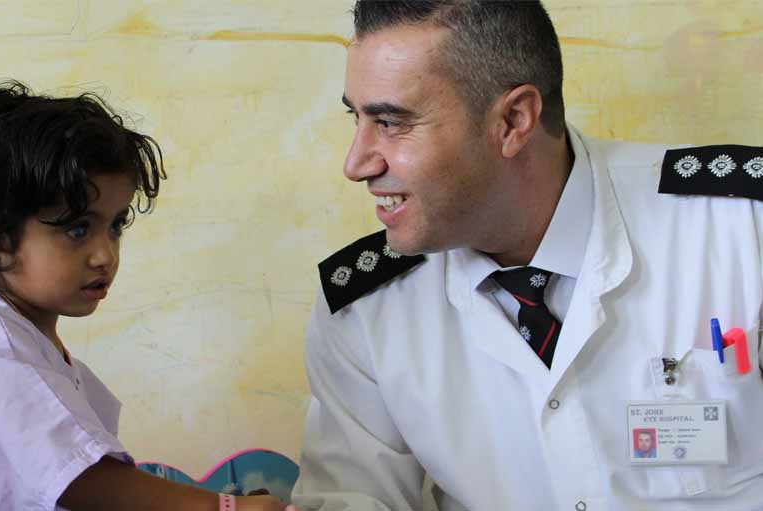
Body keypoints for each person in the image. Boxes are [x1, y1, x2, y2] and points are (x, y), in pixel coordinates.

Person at [292, 1, 763, 510]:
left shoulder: (742, 226)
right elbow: (353, 498)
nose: (356, 163)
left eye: (391, 122)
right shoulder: (364, 309)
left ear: (514, 120)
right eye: (356, 118)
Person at [0, 81, 289, 511]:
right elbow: (83, 480)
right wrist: (223, 508)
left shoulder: (40, 352)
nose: (105, 254)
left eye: (116, 225)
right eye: (78, 228)